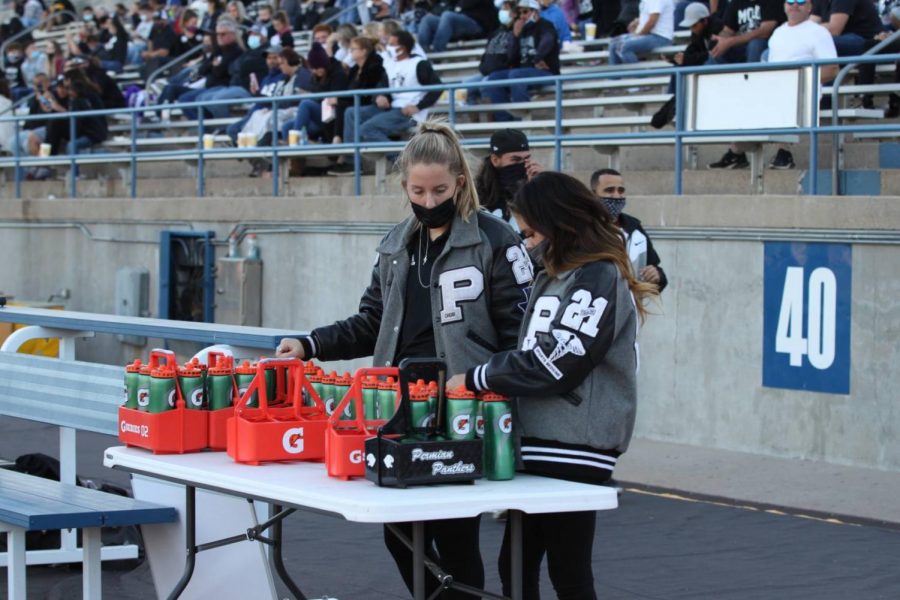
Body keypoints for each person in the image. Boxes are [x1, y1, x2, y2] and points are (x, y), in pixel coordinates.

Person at [277, 121, 532, 600]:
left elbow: (519, 331)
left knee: (456, 535)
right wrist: (310, 344)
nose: (430, 200)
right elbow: (372, 320)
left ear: (460, 182)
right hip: (399, 407)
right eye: (418, 190)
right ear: (403, 187)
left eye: (439, 189)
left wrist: (487, 388)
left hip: (461, 408)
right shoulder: (395, 243)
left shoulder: (496, 239)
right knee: (399, 535)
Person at [446, 171, 656, 600]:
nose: (527, 243)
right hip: (541, 440)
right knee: (518, 565)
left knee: (568, 570)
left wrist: (479, 376)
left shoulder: (598, 274)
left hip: (575, 445)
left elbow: (560, 361)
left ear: (558, 222)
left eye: (531, 232)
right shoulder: (554, 273)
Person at [331, 30, 442, 172]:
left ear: (403, 47)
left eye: (392, 44)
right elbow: (381, 86)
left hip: (406, 111)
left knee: (366, 129)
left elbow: (438, 88)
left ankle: (402, 161)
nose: (388, 47)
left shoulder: (419, 63)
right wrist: (379, 96)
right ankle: (351, 162)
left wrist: (418, 107)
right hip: (390, 107)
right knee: (351, 112)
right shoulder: (389, 64)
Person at [765, 0, 838, 169]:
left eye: (800, 1)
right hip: (775, 88)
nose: (795, 5)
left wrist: (799, 79)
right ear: (784, 6)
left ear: (810, 7)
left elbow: (832, 70)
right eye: (790, 1)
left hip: (804, 89)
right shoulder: (777, 33)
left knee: (786, 93)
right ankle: (737, 151)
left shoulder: (819, 32)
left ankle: (784, 152)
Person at [591, 168, 668, 290]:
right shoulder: (582, 229)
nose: (616, 196)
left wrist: (657, 276)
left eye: (621, 190)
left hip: (630, 306)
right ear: (594, 195)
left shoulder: (634, 228)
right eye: (609, 190)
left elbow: (654, 269)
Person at [484, 0, 560, 122]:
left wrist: (537, 58)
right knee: (494, 78)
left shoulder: (545, 25)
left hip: (546, 71)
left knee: (516, 74)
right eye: (519, 13)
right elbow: (511, 57)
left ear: (535, 12)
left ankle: (522, 115)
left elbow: (548, 41)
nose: (522, 16)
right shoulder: (521, 29)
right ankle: (504, 121)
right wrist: (514, 36)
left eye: (525, 12)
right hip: (524, 71)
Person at [279, 42, 349, 143]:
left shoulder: (338, 75)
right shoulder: (316, 77)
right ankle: (295, 157)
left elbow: (334, 100)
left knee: (306, 103)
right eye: (313, 69)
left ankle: (295, 142)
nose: (316, 71)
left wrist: (311, 96)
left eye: (318, 67)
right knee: (286, 127)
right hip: (321, 115)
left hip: (333, 116)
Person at [475, 128, 542, 229]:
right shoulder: (477, 197)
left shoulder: (535, 190)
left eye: (526, 159)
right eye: (515, 159)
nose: (523, 165)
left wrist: (542, 184)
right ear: (495, 160)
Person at [708, 0, 783, 63]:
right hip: (741, 47)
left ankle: (753, 77)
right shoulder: (736, 3)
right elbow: (728, 30)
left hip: (766, 45)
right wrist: (719, 39)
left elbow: (765, 31)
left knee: (755, 44)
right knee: (716, 49)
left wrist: (729, 42)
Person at [608, 0, 675, 65]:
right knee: (613, 43)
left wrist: (639, 35)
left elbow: (652, 22)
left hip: (660, 37)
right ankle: (614, 75)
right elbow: (649, 15)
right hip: (650, 36)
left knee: (623, 46)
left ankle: (639, 74)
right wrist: (637, 21)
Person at [417, 0, 498, 52]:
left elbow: (464, 5)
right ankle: (423, 53)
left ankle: (438, 51)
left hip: (477, 25)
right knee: (427, 20)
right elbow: (447, 5)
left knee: (447, 15)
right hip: (458, 21)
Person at [810, 0, 882, 55]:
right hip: (846, 39)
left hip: (867, 42)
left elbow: (834, 30)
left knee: (820, 43)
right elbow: (810, 24)